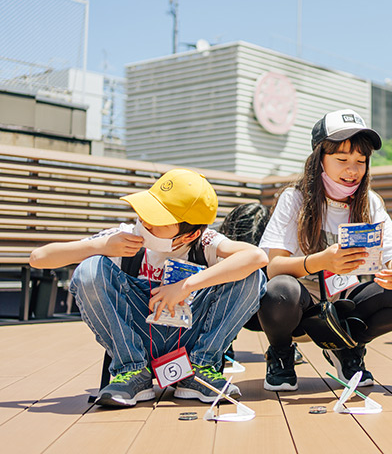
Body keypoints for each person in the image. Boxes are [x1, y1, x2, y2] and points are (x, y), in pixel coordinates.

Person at [29, 169, 268, 407]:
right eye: (145, 212)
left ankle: (199, 368)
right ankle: (133, 372)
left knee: (251, 277)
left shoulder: (204, 243)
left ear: (189, 235)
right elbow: (39, 258)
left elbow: (256, 257)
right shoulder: (124, 239)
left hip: (190, 337)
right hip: (136, 336)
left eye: (158, 220)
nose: (145, 222)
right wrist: (100, 246)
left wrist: (186, 286)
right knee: (90, 269)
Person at [257, 109, 392, 391]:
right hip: (301, 305)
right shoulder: (294, 199)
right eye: (342, 160)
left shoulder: (370, 202)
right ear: (319, 159)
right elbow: (274, 267)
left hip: (348, 301)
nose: (352, 171)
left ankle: (348, 347)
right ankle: (280, 353)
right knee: (280, 290)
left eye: (360, 161)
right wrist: (322, 261)